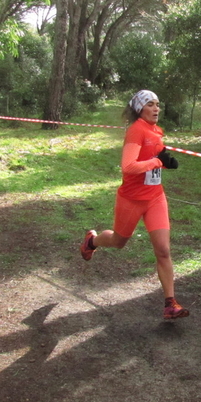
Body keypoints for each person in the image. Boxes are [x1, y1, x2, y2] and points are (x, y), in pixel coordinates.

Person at [79, 90, 189, 320]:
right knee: (119, 241)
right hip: (131, 199)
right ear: (140, 108)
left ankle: (170, 304)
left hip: (155, 198)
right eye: (150, 104)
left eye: (158, 104)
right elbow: (128, 166)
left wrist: (165, 163)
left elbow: (152, 160)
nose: (156, 108)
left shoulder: (156, 130)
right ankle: (92, 241)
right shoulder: (136, 130)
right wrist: (158, 161)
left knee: (163, 250)